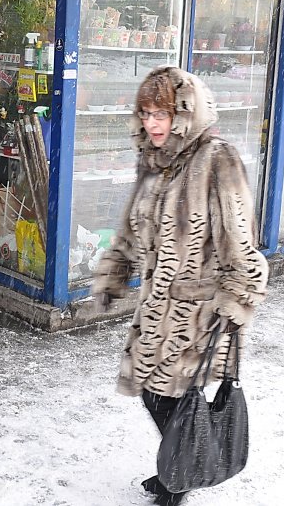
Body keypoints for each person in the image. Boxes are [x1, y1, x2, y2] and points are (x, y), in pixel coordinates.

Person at [92, 66, 268, 505]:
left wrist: (238, 298)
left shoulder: (216, 158)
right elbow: (133, 226)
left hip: (201, 309)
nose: (152, 123)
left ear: (184, 115)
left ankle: (179, 477)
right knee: (154, 393)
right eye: (146, 113)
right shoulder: (153, 160)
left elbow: (240, 238)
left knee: (173, 396)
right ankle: (178, 466)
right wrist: (116, 269)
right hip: (157, 306)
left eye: (162, 114)